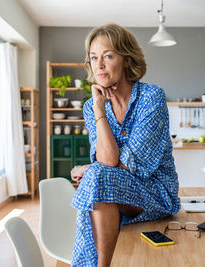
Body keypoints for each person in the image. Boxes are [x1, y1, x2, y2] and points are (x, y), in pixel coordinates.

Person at [70, 24, 180, 267]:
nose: (99, 65)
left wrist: (91, 168)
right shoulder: (92, 106)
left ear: (126, 59)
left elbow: (131, 165)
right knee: (98, 178)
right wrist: (100, 111)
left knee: (96, 176)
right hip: (115, 196)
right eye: (94, 57)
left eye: (108, 56)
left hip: (156, 193)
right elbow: (107, 161)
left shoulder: (152, 97)